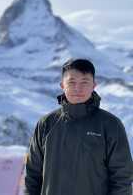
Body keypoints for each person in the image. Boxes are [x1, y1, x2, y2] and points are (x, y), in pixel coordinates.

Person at [24, 58, 133, 195]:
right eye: (72, 82)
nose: (78, 88)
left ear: (94, 85)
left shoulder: (111, 125)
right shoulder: (46, 124)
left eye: (84, 82)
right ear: (62, 85)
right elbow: (32, 175)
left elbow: (122, 178)